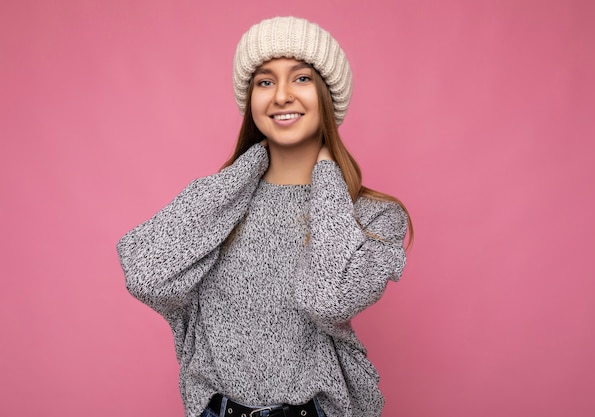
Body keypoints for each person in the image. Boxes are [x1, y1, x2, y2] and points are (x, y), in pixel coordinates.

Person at [117, 16, 413, 417]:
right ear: (250, 99)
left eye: (302, 78)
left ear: (327, 94)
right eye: (265, 81)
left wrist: (327, 174)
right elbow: (147, 277)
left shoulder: (373, 218)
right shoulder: (219, 203)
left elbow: (327, 301)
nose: (282, 96)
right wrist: (246, 169)